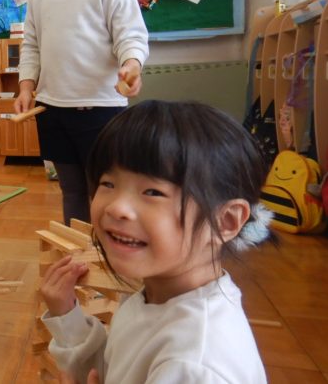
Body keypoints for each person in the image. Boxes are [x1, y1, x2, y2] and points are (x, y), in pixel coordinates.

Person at [40, 100, 272, 383]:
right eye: (108, 184)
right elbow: (112, 371)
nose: (117, 207)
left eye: (152, 192)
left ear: (226, 221)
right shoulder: (154, 292)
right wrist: (67, 315)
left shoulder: (193, 365)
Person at [15, 0, 149, 225]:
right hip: (52, 109)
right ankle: (76, 251)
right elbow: (31, 44)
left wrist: (132, 65)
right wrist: (26, 86)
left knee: (103, 191)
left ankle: (106, 251)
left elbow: (131, 36)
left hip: (100, 110)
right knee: (71, 190)